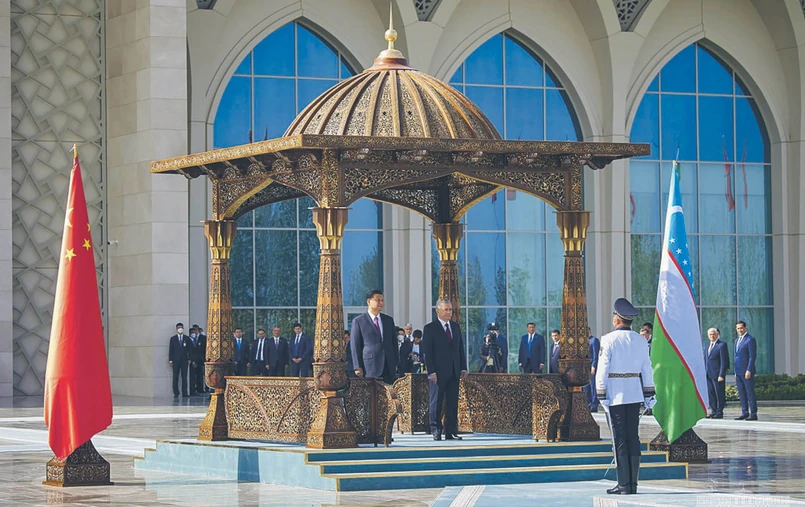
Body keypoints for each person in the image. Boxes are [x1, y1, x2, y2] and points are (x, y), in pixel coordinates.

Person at [596, 298, 655, 495]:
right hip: (634, 393)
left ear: (617, 319)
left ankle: (623, 484)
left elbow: (602, 369)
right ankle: (633, 484)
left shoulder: (608, 339)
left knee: (619, 438)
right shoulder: (640, 340)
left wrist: (601, 393)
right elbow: (647, 368)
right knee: (633, 437)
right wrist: (649, 393)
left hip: (615, 395)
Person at [422, 298, 467, 441]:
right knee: (436, 401)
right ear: (438, 311)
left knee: (452, 402)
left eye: (450, 309)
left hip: (454, 370)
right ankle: (436, 429)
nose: (449, 312)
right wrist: (431, 371)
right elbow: (427, 352)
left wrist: (463, 367)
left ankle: (451, 431)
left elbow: (460, 349)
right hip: (438, 372)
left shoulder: (455, 327)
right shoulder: (430, 328)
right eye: (446, 309)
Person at [350, 289, 398, 384]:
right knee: (372, 391)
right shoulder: (359, 321)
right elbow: (355, 345)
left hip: (388, 364)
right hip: (370, 365)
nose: (381, 303)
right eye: (378, 300)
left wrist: (396, 362)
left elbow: (394, 343)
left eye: (382, 300)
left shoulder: (388, 320)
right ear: (369, 301)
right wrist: (357, 366)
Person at [734, 321, 758, 421]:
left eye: (741, 328)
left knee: (750, 393)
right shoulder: (736, 340)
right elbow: (736, 356)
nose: (740, 330)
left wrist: (749, 369)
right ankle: (744, 412)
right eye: (738, 328)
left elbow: (752, 356)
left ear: (745, 328)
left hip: (747, 371)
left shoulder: (750, 340)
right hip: (738, 371)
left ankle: (753, 413)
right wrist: (735, 371)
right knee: (741, 393)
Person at [704, 327, 729, 419]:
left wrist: (721, 374)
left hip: (717, 374)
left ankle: (719, 411)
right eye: (710, 334)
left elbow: (724, 361)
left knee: (719, 393)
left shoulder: (722, 345)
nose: (712, 336)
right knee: (711, 393)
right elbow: (705, 359)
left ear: (717, 335)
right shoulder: (707, 345)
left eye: (714, 334)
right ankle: (713, 411)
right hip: (708, 374)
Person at [168, 323, 191, 399]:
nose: (180, 329)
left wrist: (189, 359)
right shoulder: (173, 339)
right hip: (175, 361)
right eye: (179, 327)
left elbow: (190, 350)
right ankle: (176, 393)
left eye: (181, 327)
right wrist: (170, 360)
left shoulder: (187, 338)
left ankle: (185, 392)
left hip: (184, 360)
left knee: (184, 377)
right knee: (175, 377)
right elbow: (171, 350)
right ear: (176, 329)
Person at [188, 325, 206, 395]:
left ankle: (200, 388)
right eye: (193, 331)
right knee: (192, 376)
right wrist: (192, 361)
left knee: (200, 375)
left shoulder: (202, 338)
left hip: (200, 360)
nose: (194, 333)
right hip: (192, 360)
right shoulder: (189, 339)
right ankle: (192, 390)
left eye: (195, 330)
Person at [587, 327, 600, 412]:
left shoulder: (594, 340)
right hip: (585, 367)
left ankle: (594, 404)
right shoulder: (583, 341)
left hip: (591, 366)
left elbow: (596, 354)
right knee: (586, 386)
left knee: (593, 385)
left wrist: (594, 366)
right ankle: (588, 403)